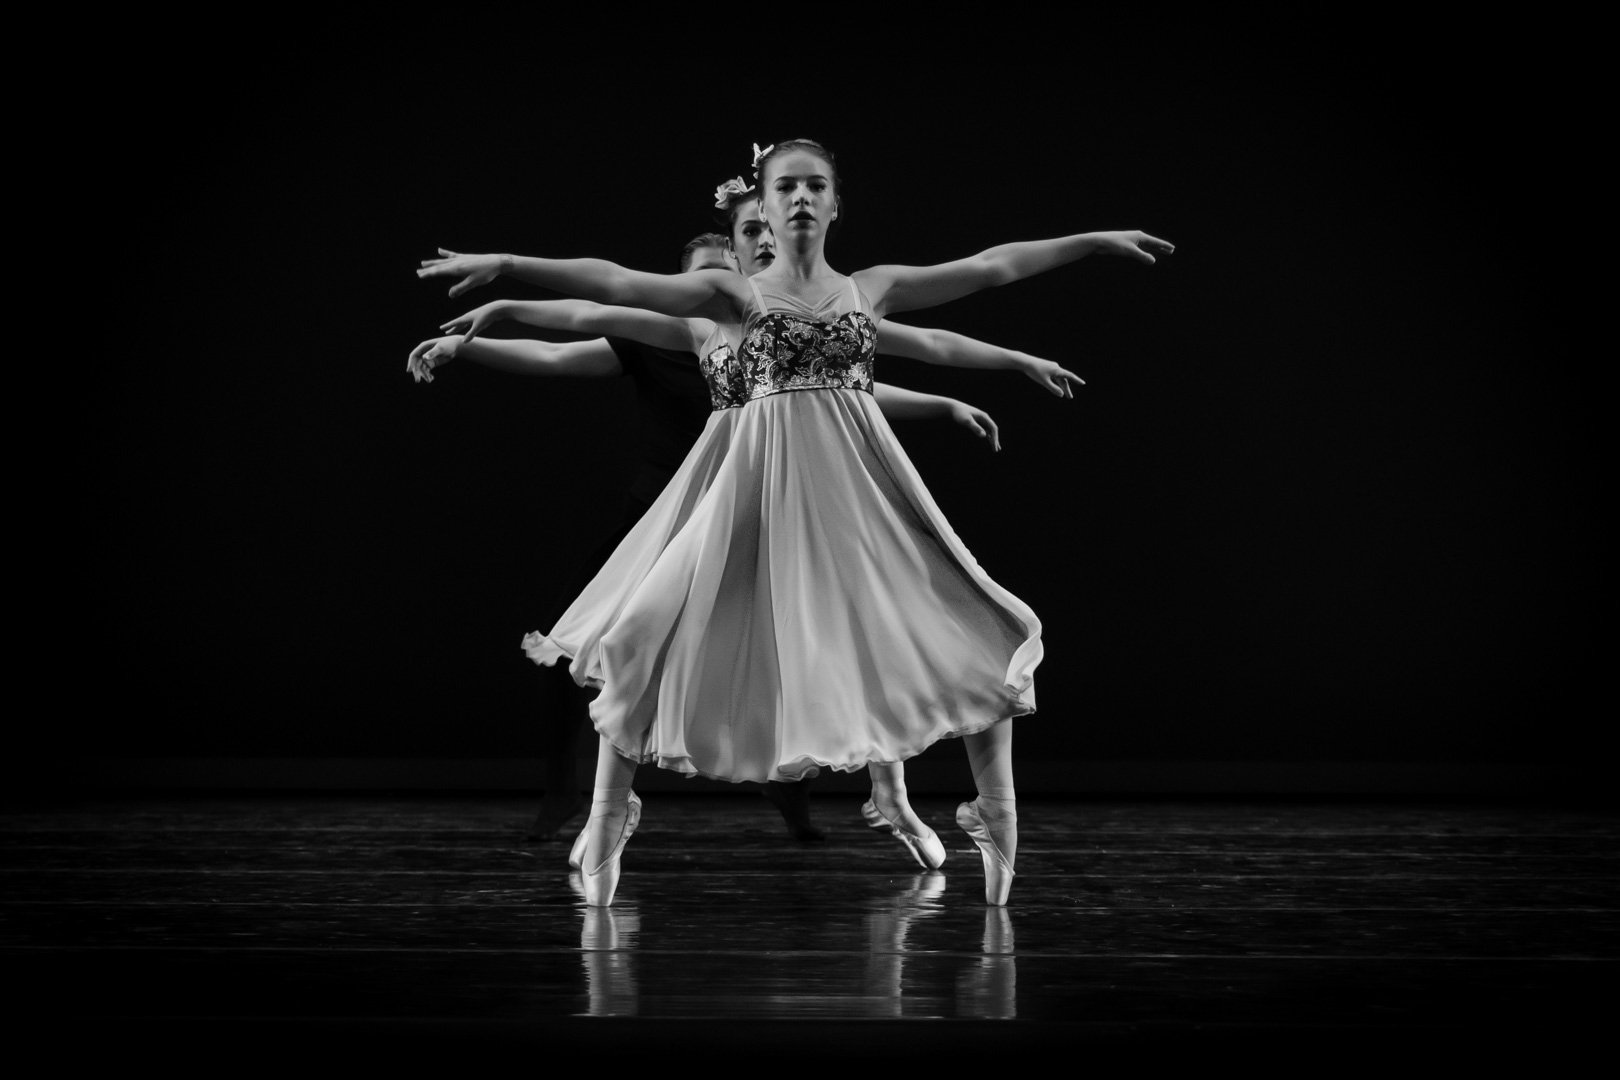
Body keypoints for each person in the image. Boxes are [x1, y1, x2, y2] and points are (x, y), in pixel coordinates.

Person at [418, 139, 1172, 907]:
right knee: (647, 627)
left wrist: (1089, 246)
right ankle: (611, 814)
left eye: (817, 186)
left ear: (836, 204)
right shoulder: (730, 300)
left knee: (968, 615)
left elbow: (984, 272)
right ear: (767, 210)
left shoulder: (867, 290)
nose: (802, 198)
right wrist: (508, 278)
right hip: (754, 487)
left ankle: (995, 813)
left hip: (856, 489)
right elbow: (606, 294)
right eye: (787, 188)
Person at [411, 229, 1047, 855]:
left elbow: (862, 374)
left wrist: (952, 397)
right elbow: (584, 316)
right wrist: (487, 325)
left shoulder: (779, 326)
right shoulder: (672, 334)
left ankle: (876, 791)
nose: (710, 287)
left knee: (841, 633)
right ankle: (603, 807)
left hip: (779, 503)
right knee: (634, 636)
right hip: (676, 511)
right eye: (697, 280)